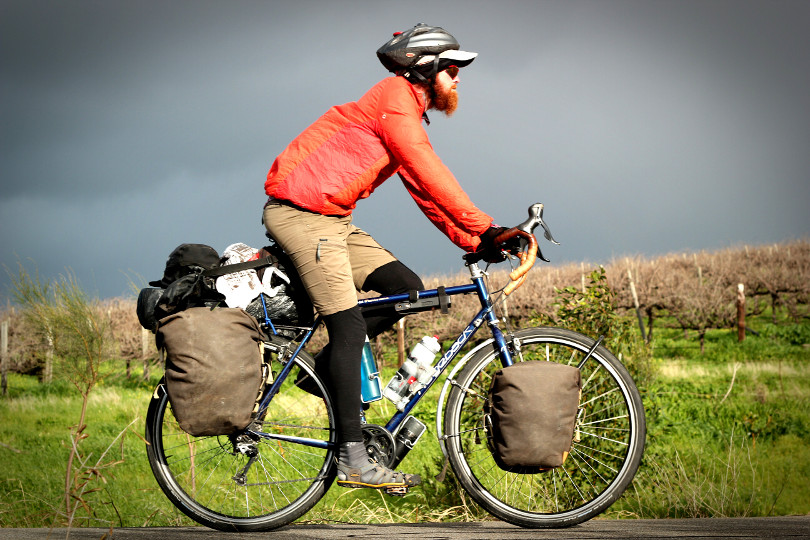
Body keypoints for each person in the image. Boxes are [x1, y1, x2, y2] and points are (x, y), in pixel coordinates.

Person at [262, 23, 509, 492]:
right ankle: (353, 459)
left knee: (408, 289)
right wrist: (485, 226)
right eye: (452, 69)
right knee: (350, 325)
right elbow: (428, 169)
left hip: (332, 218)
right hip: (301, 216)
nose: (458, 78)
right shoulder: (394, 101)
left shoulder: (406, 112)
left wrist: (473, 240)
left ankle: (324, 370)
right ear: (426, 68)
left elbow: (423, 191)